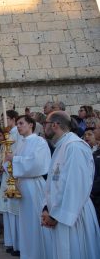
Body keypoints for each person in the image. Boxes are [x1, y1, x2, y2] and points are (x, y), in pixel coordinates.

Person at [42, 111, 100, 258]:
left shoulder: (74, 147)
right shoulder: (61, 146)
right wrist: (46, 208)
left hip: (73, 213)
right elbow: (53, 182)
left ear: (55, 125)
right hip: (59, 211)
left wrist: (55, 216)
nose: (43, 128)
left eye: (45, 124)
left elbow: (75, 186)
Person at [5, 115, 52, 259]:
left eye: (21, 123)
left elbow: (37, 164)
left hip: (34, 185)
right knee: (26, 223)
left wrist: (14, 159)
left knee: (35, 221)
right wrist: (8, 164)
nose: (18, 126)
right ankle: (29, 253)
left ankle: (41, 253)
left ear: (31, 125)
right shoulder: (20, 143)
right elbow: (13, 165)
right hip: (22, 185)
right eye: (17, 123)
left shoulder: (39, 141)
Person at [0, 110, 21, 256]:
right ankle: (11, 242)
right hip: (6, 174)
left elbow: (15, 154)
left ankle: (18, 243)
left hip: (13, 175)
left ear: (12, 119)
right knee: (7, 210)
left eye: (4, 118)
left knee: (14, 210)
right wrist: (0, 166)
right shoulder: (9, 134)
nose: (2, 121)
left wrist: (6, 166)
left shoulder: (16, 133)